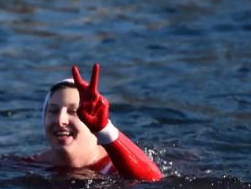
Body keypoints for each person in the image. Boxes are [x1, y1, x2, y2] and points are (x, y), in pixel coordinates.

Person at [28, 64, 163, 181]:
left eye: (73, 111)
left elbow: (153, 181)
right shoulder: (32, 166)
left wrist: (104, 130)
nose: (60, 120)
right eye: (53, 111)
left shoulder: (113, 167)